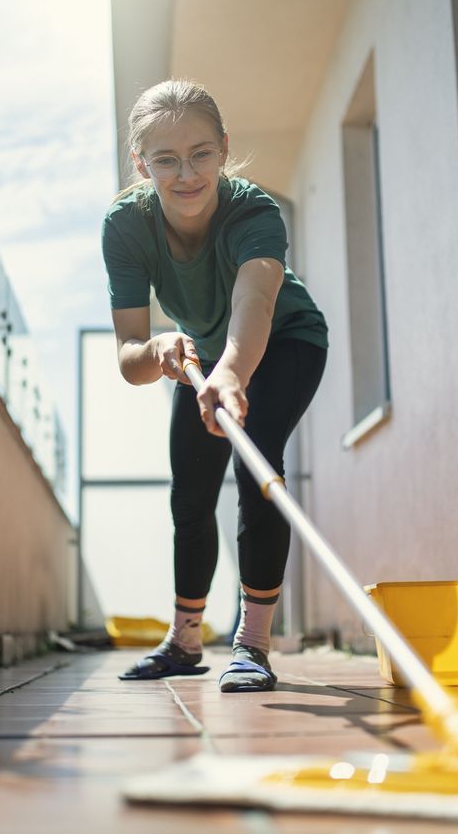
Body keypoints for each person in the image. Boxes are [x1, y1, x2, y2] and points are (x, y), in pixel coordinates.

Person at [101, 79, 328, 692]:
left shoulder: (254, 212)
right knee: (190, 495)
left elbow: (254, 305)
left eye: (201, 153)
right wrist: (159, 349)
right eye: (165, 159)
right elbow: (129, 358)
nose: (185, 174)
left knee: (259, 467)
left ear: (224, 149)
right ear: (140, 162)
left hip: (284, 345)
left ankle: (253, 644)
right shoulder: (125, 226)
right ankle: (185, 640)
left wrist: (231, 373)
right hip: (199, 355)